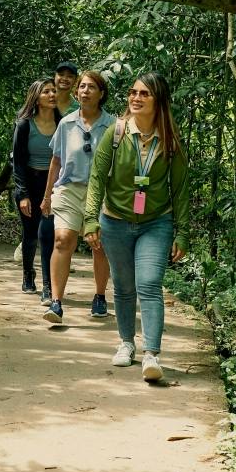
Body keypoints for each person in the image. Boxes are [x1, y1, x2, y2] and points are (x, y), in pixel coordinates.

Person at [85, 71, 189, 383]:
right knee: (125, 286)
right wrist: (90, 218)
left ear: (158, 101)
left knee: (149, 284)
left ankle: (152, 354)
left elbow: (181, 188)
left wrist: (181, 231)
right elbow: (97, 177)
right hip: (115, 220)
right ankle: (126, 343)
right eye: (133, 92)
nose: (135, 98)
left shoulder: (170, 138)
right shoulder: (116, 132)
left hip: (155, 222)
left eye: (144, 94)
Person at [41, 69, 113, 324]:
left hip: (102, 192)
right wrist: (47, 195)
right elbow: (56, 160)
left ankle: (100, 296)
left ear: (101, 93)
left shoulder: (114, 126)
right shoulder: (67, 123)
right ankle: (57, 302)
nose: (84, 91)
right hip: (69, 189)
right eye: (81, 87)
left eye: (91, 87)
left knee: (99, 244)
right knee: (62, 240)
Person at [10, 79, 61, 297]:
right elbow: (18, 161)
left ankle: (49, 284)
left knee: (48, 234)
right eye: (46, 91)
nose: (52, 94)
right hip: (29, 182)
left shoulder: (64, 123)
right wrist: (23, 194)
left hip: (54, 185)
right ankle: (28, 274)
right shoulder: (24, 125)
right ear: (36, 98)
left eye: (54, 91)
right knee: (30, 233)